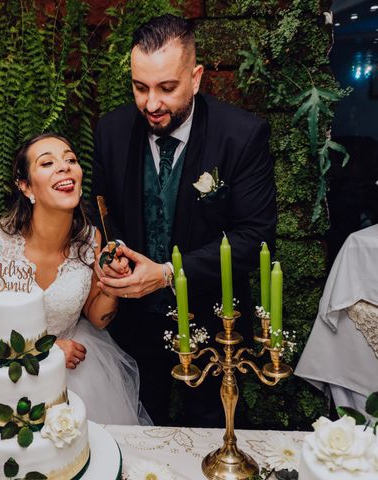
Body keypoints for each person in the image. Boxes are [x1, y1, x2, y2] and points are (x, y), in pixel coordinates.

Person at [91, 14, 277, 426]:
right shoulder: (111, 131)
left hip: (215, 325)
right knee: (135, 427)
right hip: (133, 324)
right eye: (140, 87)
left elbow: (255, 239)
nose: (151, 103)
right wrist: (115, 252)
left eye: (167, 88)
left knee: (211, 427)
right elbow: (102, 212)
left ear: (195, 78)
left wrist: (167, 273)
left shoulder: (241, 135)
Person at [0, 133, 151, 426]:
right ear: (25, 186)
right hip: (2, 367)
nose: (64, 167)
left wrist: (112, 282)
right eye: (48, 163)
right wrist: (42, 348)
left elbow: (98, 318)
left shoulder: (92, 239)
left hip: (75, 372)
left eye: (71, 159)